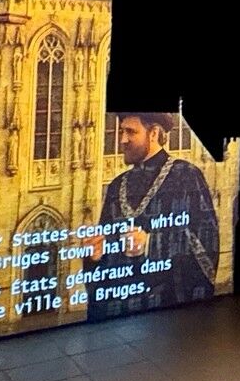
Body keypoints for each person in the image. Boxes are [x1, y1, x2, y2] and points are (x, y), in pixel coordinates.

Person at [86, 112, 219, 321]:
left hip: (168, 319)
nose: (122, 140)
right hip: (120, 319)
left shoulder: (186, 175)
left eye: (131, 132)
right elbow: (104, 263)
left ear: (154, 133)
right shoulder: (116, 186)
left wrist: (150, 243)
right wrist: (96, 256)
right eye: (121, 131)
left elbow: (207, 244)